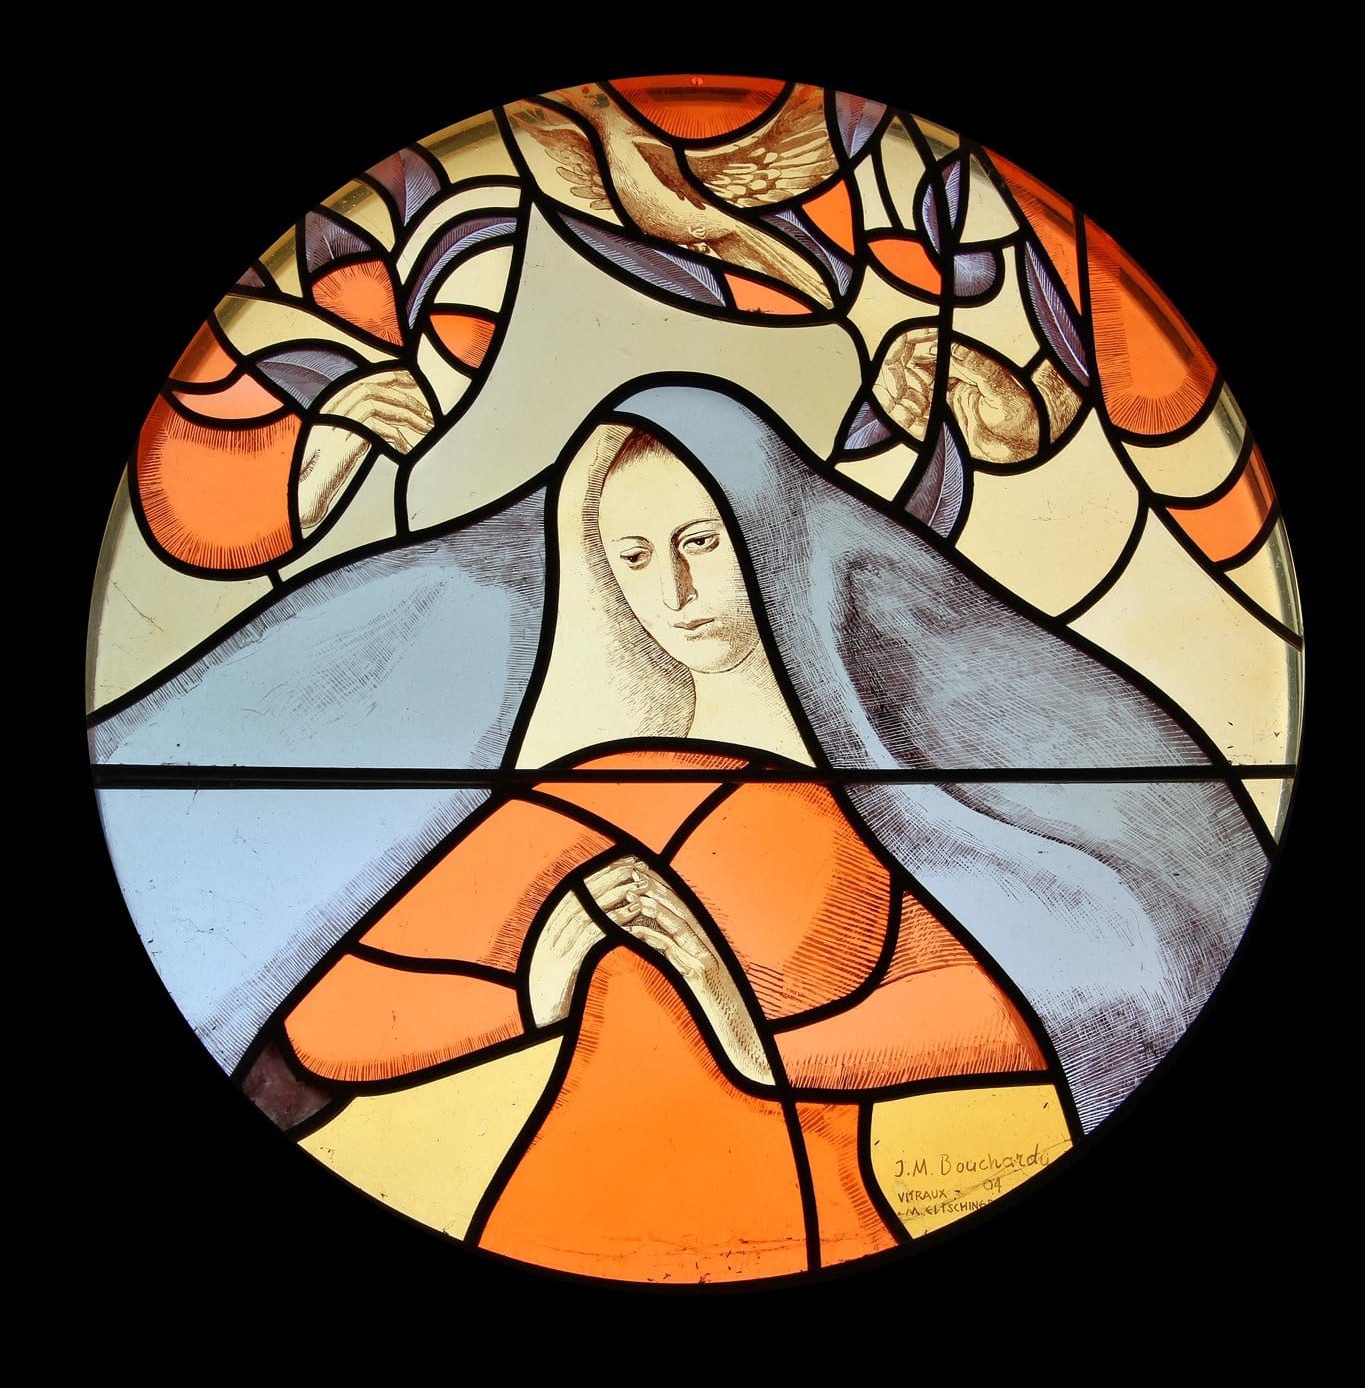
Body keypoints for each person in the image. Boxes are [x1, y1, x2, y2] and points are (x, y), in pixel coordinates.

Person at [94, 382, 1269, 1281]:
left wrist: (755, 1032)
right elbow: (327, 1027)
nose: (677, 590)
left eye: (701, 540)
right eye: (635, 554)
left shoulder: (906, 806)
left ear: (770, 533)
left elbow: (1089, 1001)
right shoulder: (590, 787)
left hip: (830, 1237)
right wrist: (534, 978)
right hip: (544, 1232)